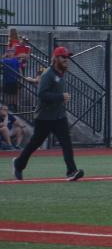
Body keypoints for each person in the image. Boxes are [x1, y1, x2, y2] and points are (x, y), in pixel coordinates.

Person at [11, 46, 84, 181]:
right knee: (34, 144)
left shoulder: (60, 74)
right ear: (56, 58)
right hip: (44, 118)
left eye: (67, 57)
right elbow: (42, 94)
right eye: (63, 57)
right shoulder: (48, 74)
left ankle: (71, 171)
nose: (66, 59)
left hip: (59, 117)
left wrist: (61, 99)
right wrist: (61, 97)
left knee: (66, 143)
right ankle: (18, 164)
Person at [1, 46, 23, 111]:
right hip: (7, 80)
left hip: (14, 80)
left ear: (14, 52)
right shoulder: (4, 60)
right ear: (6, 52)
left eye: (12, 51)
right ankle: (7, 106)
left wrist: (21, 78)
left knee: (14, 94)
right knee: (7, 94)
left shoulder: (16, 60)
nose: (10, 53)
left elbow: (19, 69)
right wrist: (4, 56)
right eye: (8, 51)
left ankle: (14, 106)